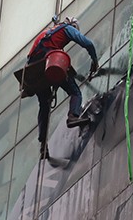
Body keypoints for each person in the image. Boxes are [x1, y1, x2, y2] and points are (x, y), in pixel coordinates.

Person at [27, 16, 99, 158]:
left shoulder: (48, 33)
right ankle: (73, 116)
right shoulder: (67, 29)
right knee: (75, 92)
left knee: (44, 105)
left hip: (33, 67)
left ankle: (43, 144)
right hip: (49, 60)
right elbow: (88, 43)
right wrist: (94, 61)